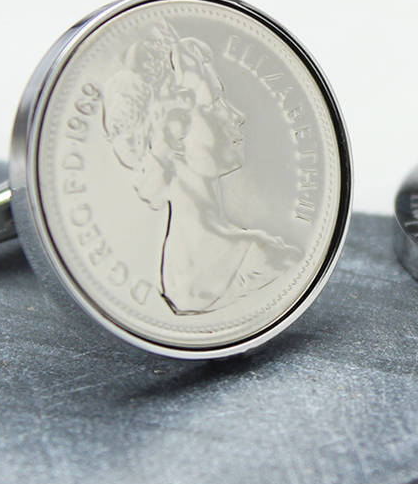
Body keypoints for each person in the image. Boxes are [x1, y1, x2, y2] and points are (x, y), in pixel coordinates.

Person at [102, 20, 298, 314]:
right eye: (215, 102)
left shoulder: (179, 275)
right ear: (173, 132)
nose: (238, 115)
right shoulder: (264, 258)